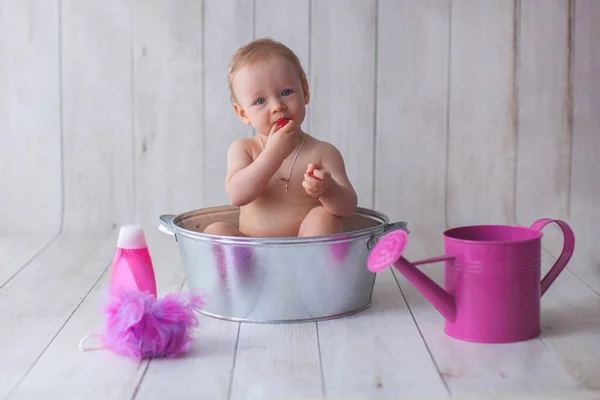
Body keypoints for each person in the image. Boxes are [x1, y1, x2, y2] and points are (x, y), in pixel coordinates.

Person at [204, 38, 357, 238]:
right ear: (243, 114)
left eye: (286, 92)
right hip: (253, 254)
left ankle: (310, 268)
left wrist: (328, 189)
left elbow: (348, 208)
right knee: (214, 231)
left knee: (324, 217)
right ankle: (239, 270)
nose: (277, 105)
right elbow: (237, 195)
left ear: (305, 92)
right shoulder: (244, 149)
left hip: (306, 255)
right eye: (260, 101)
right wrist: (273, 154)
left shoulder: (323, 152)